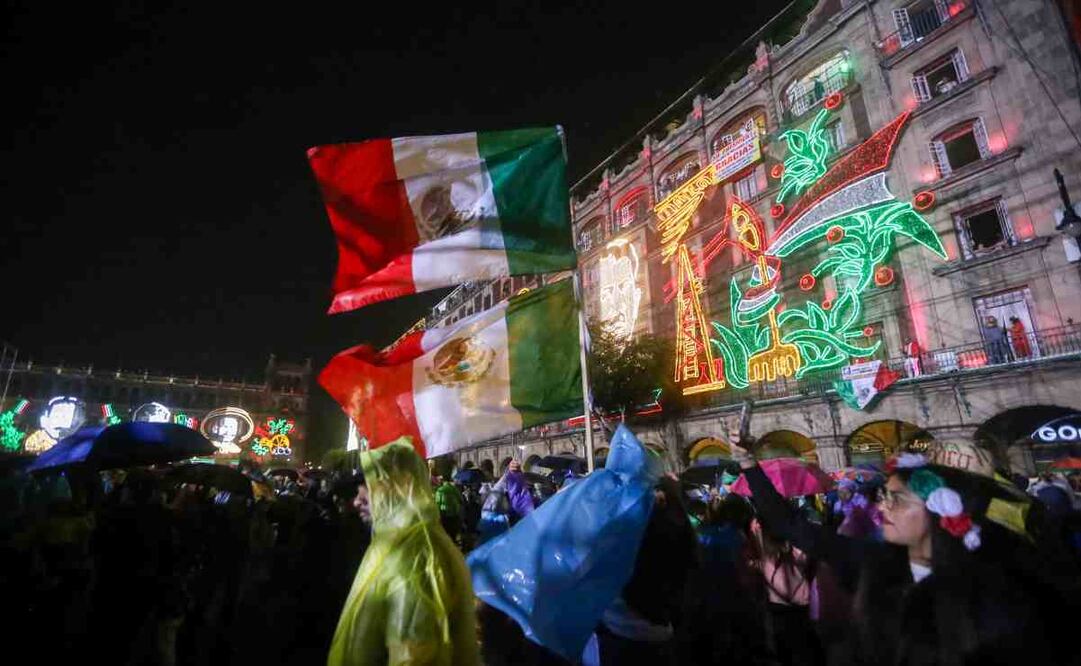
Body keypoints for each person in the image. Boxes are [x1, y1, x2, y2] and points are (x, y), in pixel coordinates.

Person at [729, 428, 1079, 666]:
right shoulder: (875, 561)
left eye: (896, 498)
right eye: (883, 495)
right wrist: (748, 464)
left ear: (941, 507)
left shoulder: (996, 581)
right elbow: (790, 526)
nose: (882, 506)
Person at [327, 439, 479, 666]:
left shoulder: (418, 554)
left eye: (368, 485)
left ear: (399, 484)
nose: (357, 500)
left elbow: (414, 653)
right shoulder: (395, 540)